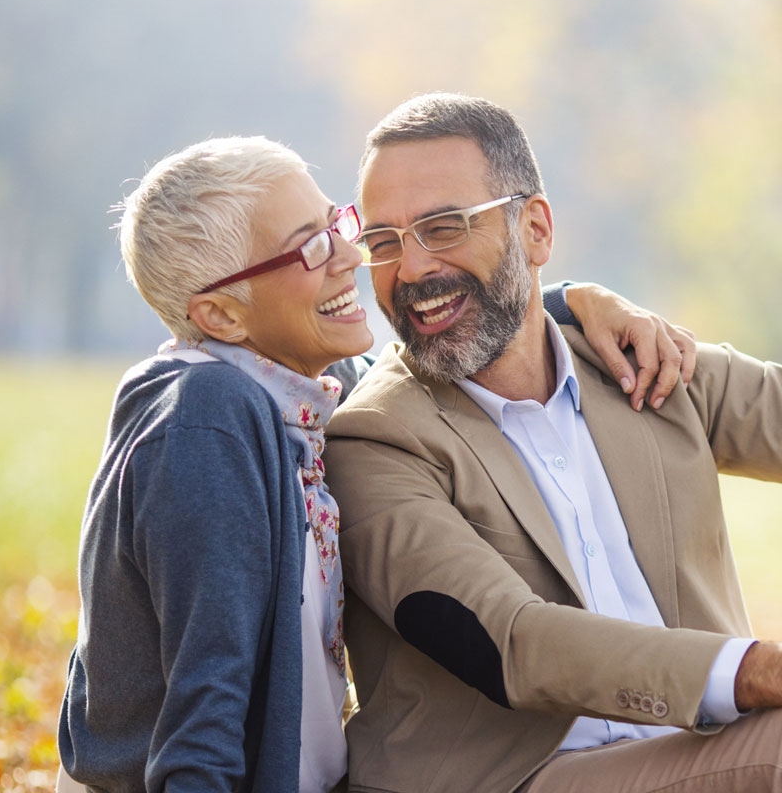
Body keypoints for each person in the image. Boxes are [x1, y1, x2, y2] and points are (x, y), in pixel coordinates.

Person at [55, 135, 687, 792]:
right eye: (311, 246)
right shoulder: (206, 423)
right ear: (220, 314)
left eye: (337, 224)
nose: (350, 256)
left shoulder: (305, 396)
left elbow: (426, 356)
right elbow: (201, 720)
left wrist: (568, 302)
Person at [323, 92, 782, 792]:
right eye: (383, 242)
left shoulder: (641, 359)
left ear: (534, 230)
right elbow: (515, 642)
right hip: (516, 779)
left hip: (697, 748)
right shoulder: (373, 439)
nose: (410, 270)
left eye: (443, 228)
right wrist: (752, 671)